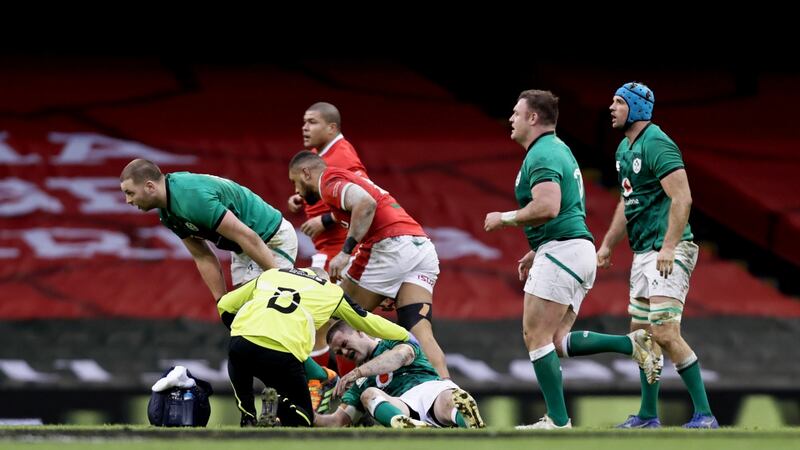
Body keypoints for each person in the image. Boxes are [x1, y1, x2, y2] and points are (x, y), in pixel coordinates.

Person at [484, 90, 660, 430]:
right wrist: (537, 249)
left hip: (564, 250)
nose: (511, 118)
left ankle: (558, 421)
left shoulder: (543, 154)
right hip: (571, 248)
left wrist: (504, 218)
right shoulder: (556, 149)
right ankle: (629, 344)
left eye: (516, 113)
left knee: (534, 335)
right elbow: (564, 211)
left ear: (533, 118)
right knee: (555, 341)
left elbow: (548, 206)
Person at [596, 82, 718, 429]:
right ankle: (648, 415)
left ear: (636, 109)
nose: (612, 107)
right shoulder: (624, 148)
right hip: (643, 252)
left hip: (670, 249)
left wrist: (668, 246)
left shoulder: (658, 143)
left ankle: (705, 415)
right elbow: (627, 200)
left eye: (619, 102)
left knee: (664, 331)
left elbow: (683, 198)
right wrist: (607, 245)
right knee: (642, 336)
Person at [288, 151, 449, 379]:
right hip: (420, 247)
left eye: (295, 182)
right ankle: (448, 395)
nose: (296, 189)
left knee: (330, 315)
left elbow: (365, 203)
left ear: (306, 173)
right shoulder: (343, 180)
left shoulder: (328, 181)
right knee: (419, 331)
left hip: (388, 246)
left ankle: (331, 393)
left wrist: (345, 252)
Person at [217, 266, 411, 427]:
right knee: (303, 420)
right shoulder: (330, 291)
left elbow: (224, 304)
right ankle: (292, 398)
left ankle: (248, 416)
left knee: (244, 388)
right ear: (323, 279)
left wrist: (239, 329)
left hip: (241, 343)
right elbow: (365, 320)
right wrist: (404, 335)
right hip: (284, 353)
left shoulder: (272, 274)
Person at [120, 159, 298, 300]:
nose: (128, 201)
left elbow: (248, 236)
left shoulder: (192, 198)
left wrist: (280, 283)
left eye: (130, 193)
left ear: (150, 186)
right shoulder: (167, 214)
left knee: (267, 308)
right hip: (244, 246)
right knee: (243, 312)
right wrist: (222, 302)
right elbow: (202, 256)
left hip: (271, 237)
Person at [286, 102, 367, 377]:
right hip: (327, 251)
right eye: (303, 122)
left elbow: (365, 199)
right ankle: (341, 389)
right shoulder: (317, 156)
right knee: (323, 323)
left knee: (325, 323)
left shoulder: (342, 156)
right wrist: (303, 197)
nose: (304, 127)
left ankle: (335, 389)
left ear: (332, 127)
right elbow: (328, 193)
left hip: (341, 250)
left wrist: (325, 220)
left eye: (312, 122)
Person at [313, 321, 484, 429]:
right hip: (403, 405)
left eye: (344, 344)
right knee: (369, 394)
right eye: (339, 352)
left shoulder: (391, 338)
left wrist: (358, 372)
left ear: (359, 331)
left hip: (430, 389)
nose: (344, 352)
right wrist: (307, 415)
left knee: (451, 399)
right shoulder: (357, 383)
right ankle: (411, 427)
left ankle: (471, 426)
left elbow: (402, 356)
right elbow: (338, 421)